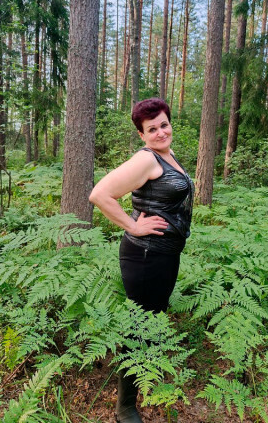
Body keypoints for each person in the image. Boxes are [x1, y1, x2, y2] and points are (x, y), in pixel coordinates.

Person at [89, 98, 194, 423]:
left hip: (164, 254)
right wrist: (133, 225)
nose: (161, 132)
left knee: (150, 322)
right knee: (139, 328)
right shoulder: (146, 159)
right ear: (141, 134)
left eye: (164, 124)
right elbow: (99, 194)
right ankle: (125, 408)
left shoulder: (167, 155)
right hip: (146, 256)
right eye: (152, 129)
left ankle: (140, 380)